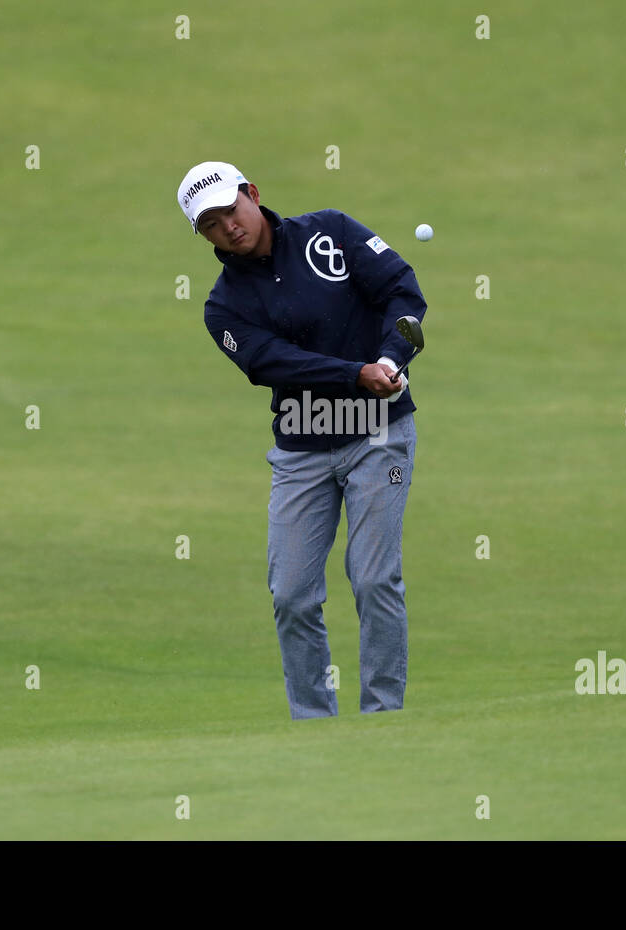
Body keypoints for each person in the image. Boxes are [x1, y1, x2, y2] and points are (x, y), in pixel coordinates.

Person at [176, 160, 427, 719]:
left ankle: (383, 716)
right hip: (301, 448)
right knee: (290, 594)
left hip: (378, 435)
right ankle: (314, 723)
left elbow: (402, 291)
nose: (228, 228)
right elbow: (272, 362)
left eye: (230, 210)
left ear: (253, 194)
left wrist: (389, 358)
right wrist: (355, 372)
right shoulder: (223, 307)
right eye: (211, 224)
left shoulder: (332, 232)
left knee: (372, 577)